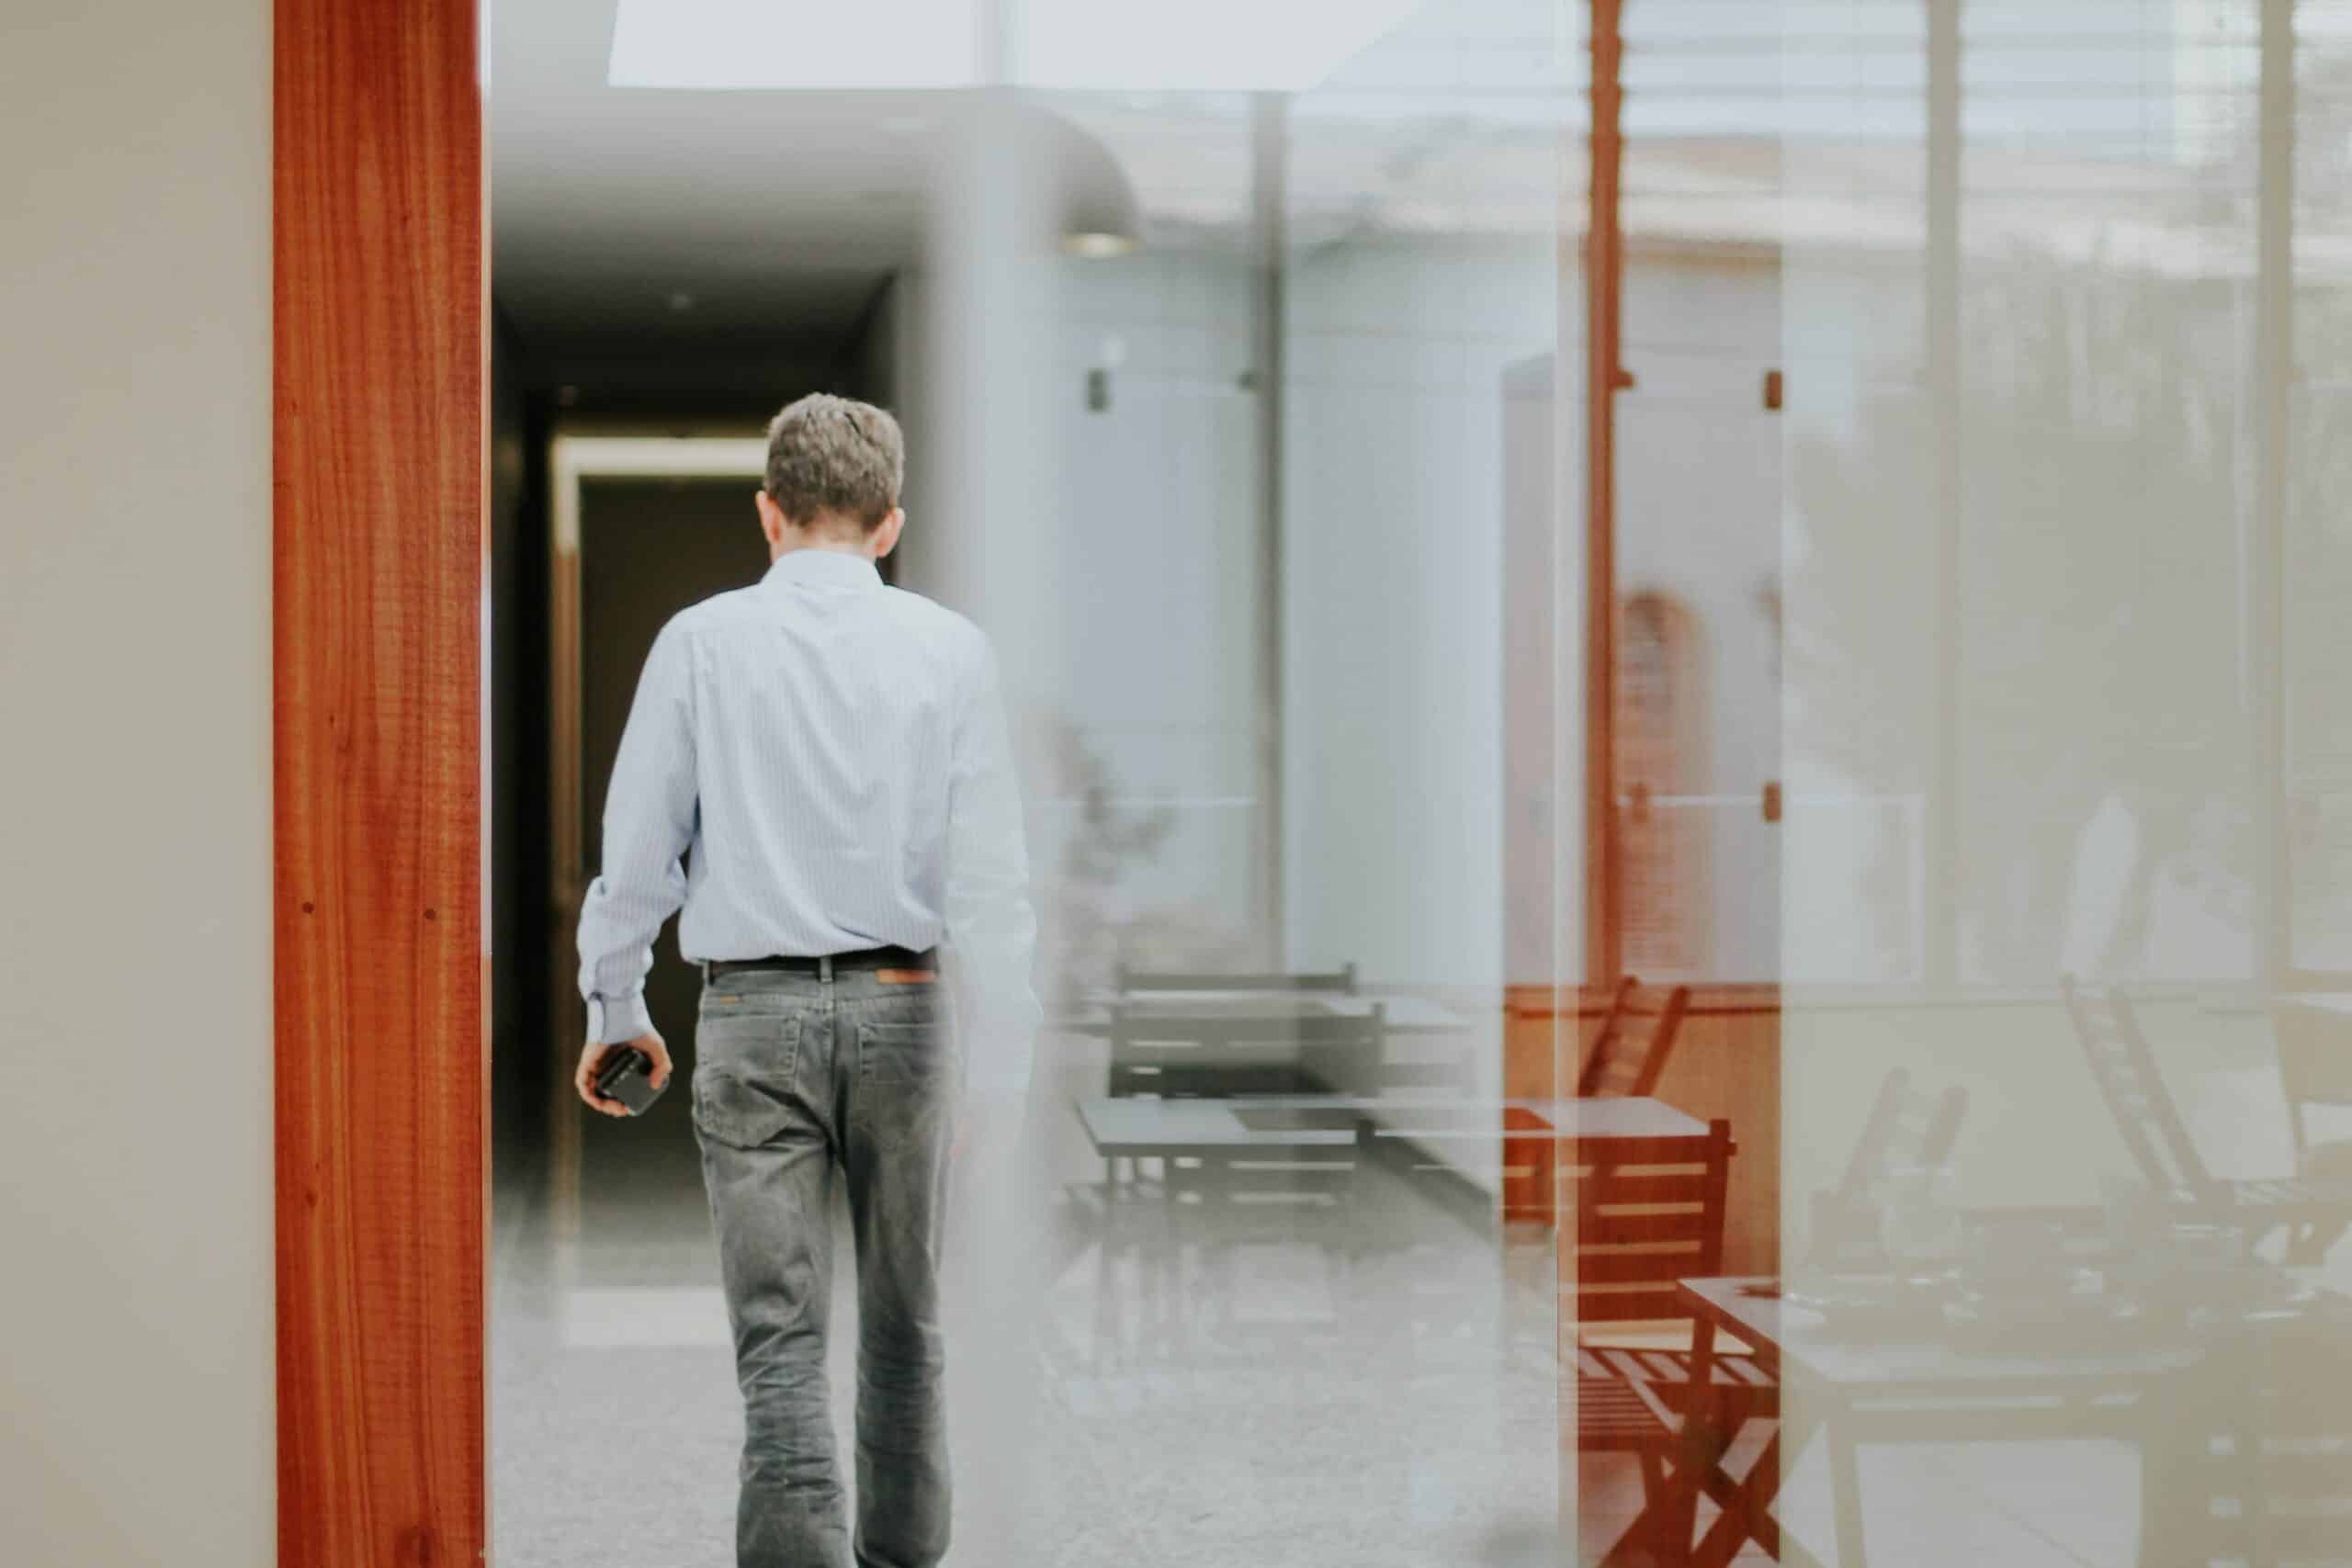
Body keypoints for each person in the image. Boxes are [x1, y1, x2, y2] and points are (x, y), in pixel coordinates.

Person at [572, 392, 1039, 1568]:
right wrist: (1004, 1065)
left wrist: (614, 1004)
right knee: (908, 1324)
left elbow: (639, 851)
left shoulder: (699, 640)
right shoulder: (950, 650)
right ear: (889, 525)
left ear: (768, 515)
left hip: (751, 1014)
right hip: (911, 1015)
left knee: (777, 1339)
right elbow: (991, 881)